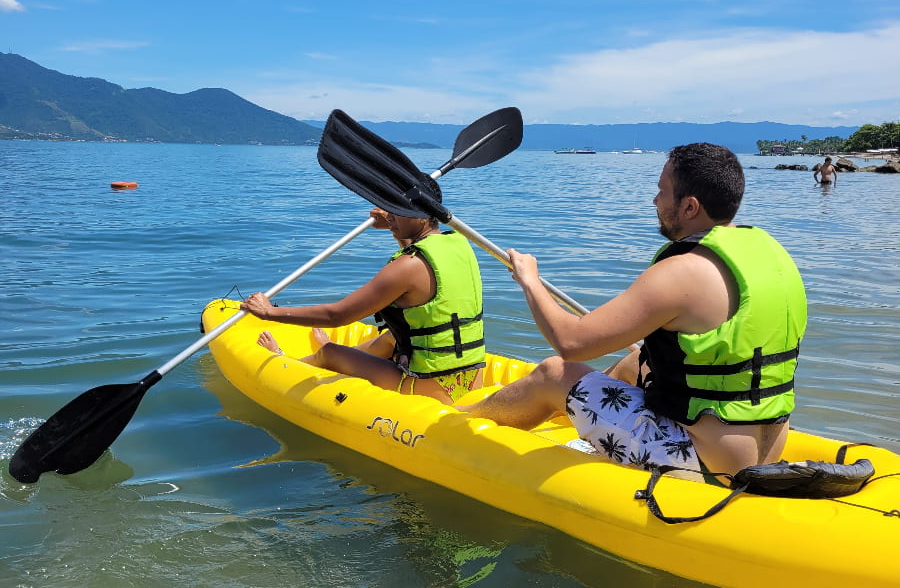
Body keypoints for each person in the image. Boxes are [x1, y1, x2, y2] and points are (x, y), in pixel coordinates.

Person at [459, 144, 807, 485]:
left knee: (553, 373)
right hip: (764, 451)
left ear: (689, 206)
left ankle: (455, 423)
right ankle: (583, 426)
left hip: (703, 462)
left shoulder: (683, 271)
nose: (655, 201)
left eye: (662, 191)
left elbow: (571, 342)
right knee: (637, 360)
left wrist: (530, 280)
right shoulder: (773, 257)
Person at [240, 208, 485, 403]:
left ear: (422, 215)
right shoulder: (459, 244)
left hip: (428, 388)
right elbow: (419, 268)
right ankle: (344, 356)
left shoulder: (408, 266)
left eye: (396, 209)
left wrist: (268, 312)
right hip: (472, 378)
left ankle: (287, 361)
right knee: (392, 338)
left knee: (331, 352)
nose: (390, 215)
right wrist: (395, 224)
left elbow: (337, 315)